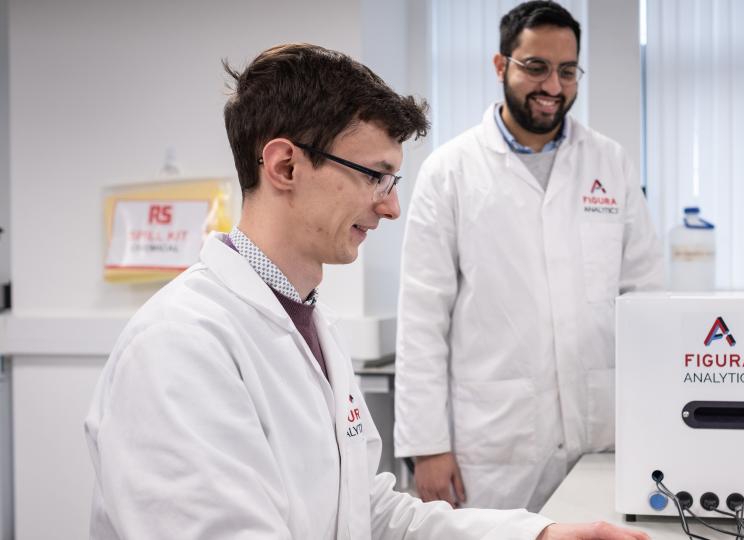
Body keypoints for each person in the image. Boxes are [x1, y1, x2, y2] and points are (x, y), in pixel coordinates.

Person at [83, 43, 650, 540]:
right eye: (373, 175)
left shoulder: (309, 324)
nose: (391, 205)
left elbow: (370, 515)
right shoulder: (180, 348)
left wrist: (538, 535)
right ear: (284, 166)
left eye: (393, 180)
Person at [395, 1, 664, 512]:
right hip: (494, 447)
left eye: (567, 71)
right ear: (501, 66)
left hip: (602, 433)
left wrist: (657, 421)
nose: (553, 86)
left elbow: (646, 300)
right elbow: (422, 319)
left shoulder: (610, 162)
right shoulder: (449, 171)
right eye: (535, 67)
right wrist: (427, 447)